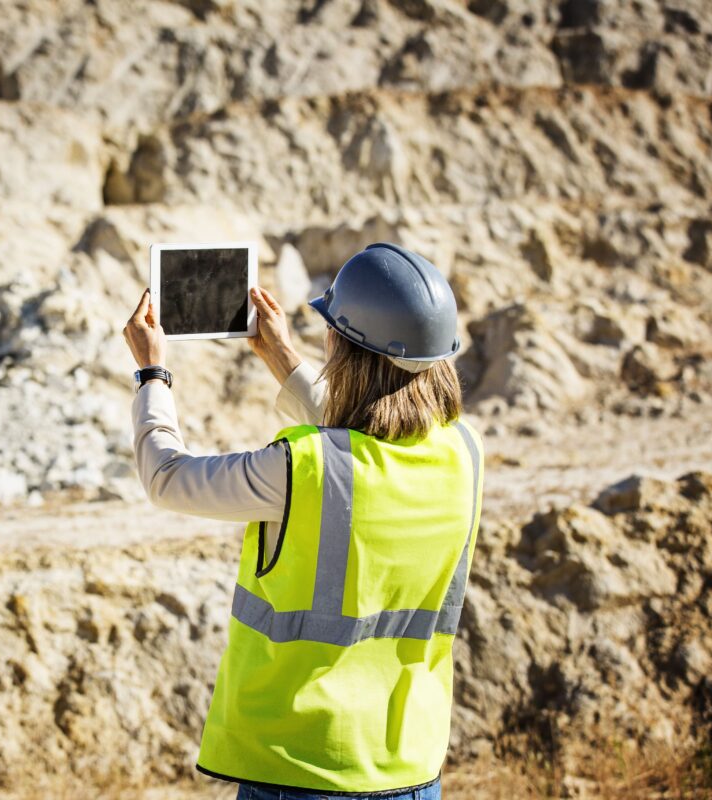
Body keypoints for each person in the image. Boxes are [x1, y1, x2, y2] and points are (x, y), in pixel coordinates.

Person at [122, 243, 484, 800]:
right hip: (410, 767)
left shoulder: (305, 467)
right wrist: (282, 358)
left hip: (302, 768)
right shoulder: (463, 452)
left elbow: (167, 477)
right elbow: (373, 434)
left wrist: (152, 373)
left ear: (344, 346)